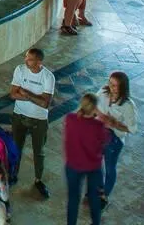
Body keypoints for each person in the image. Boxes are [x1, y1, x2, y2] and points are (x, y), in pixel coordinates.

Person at [10, 47, 55, 198]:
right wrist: (36, 98)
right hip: (19, 115)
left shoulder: (48, 77)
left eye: (29, 59)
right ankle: (13, 174)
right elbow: (13, 94)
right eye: (26, 57)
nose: (25, 61)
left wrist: (27, 94)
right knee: (16, 147)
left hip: (39, 120)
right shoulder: (20, 70)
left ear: (39, 62)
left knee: (39, 151)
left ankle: (38, 180)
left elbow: (45, 104)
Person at [95, 71, 137, 210]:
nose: (111, 87)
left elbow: (132, 129)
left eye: (115, 85)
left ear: (122, 87)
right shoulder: (103, 92)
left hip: (114, 139)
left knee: (110, 167)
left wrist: (114, 123)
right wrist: (100, 115)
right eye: (110, 83)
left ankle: (104, 196)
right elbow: (93, 104)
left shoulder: (127, 105)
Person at [64, 94, 107, 225]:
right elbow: (105, 141)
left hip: (73, 166)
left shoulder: (70, 119)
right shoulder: (98, 126)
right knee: (94, 199)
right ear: (95, 108)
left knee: (73, 199)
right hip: (93, 167)